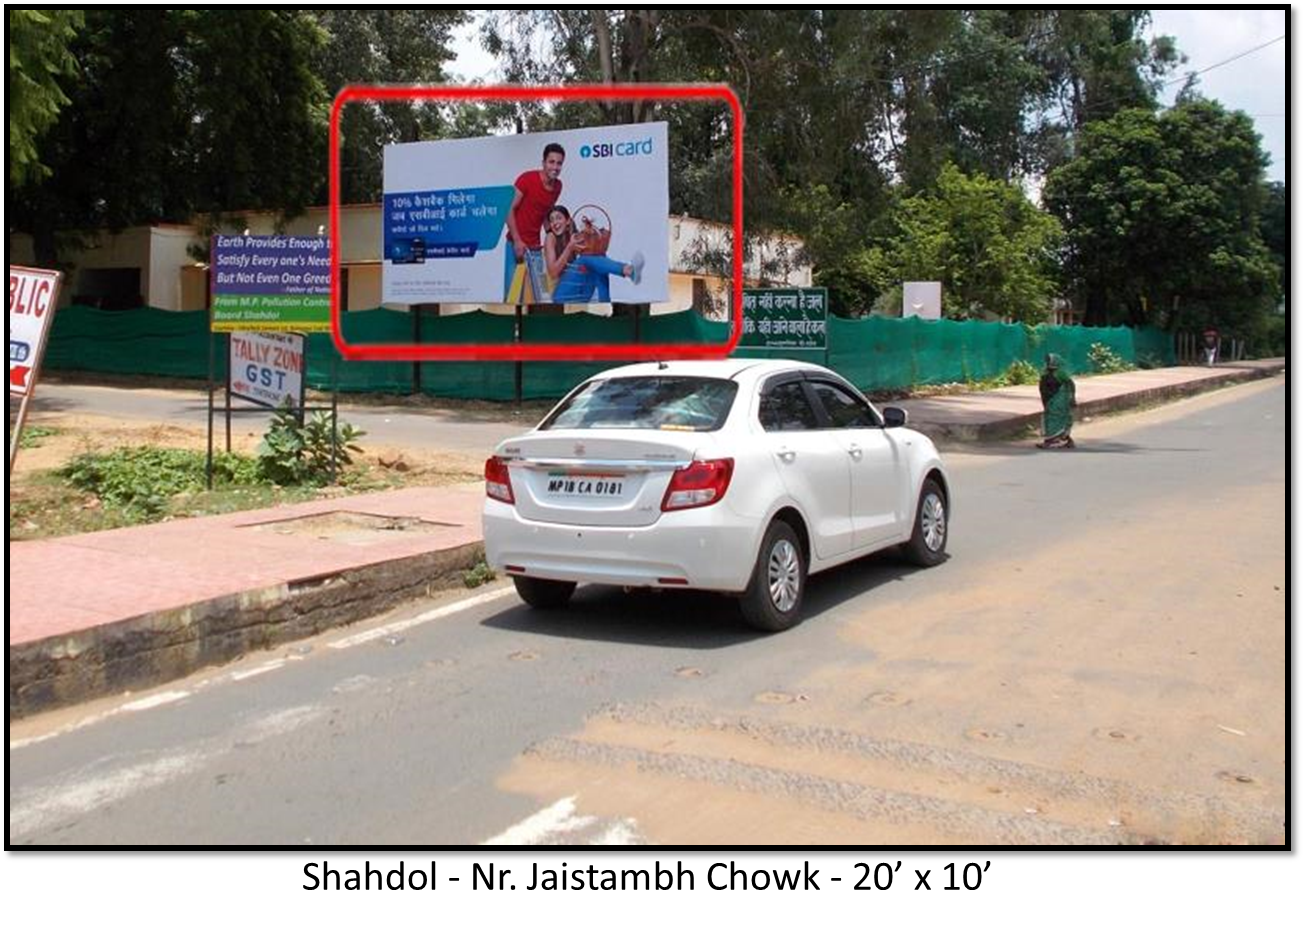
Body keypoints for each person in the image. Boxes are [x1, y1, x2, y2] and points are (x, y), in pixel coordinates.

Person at [542, 205, 644, 303]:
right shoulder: (551, 237)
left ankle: (606, 304)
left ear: (568, 221)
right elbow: (553, 273)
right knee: (585, 259)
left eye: (558, 218)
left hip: (581, 291)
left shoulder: (572, 234)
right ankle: (627, 270)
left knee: (598, 260)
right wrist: (569, 247)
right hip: (562, 295)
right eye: (552, 220)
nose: (555, 223)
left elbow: (591, 254)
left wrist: (590, 233)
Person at [506, 143, 566, 262]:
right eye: (551, 162)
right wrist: (517, 241)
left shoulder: (558, 186)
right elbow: (508, 209)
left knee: (537, 281)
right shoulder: (527, 179)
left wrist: (554, 239)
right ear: (543, 162)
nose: (555, 167)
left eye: (559, 163)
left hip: (535, 247)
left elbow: (545, 213)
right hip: (516, 244)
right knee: (515, 281)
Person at [1036, 353, 1076, 449]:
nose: (1048, 363)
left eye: (1050, 361)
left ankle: (1053, 441)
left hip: (1059, 400)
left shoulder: (1061, 373)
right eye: (1048, 361)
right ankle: (1064, 440)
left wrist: (1072, 398)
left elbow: (1070, 384)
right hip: (1049, 400)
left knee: (1056, 419)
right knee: (1050, 418)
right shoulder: (1046, 373)